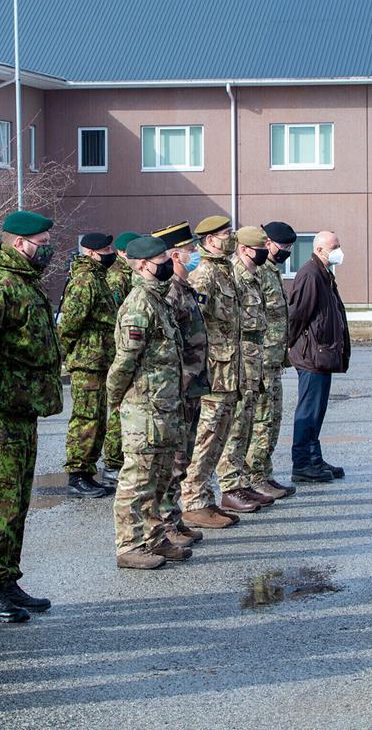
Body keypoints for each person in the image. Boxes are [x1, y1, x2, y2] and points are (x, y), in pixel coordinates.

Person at [0, 210, 63, 623]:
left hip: (22, 408)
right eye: (41, 241)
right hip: (1, 410)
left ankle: (7, 579)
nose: (47, 247)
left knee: (16, 499)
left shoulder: (24, 282)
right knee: (0, 498)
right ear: (20, 243)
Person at [107, 235, 190, 569]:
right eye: (161, 260)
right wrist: (116, 402)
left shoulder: (159, 300)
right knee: (137, 481)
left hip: (165, 406)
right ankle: (129, 545)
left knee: (158, 478)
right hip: (143, 409)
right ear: (142, 265)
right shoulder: (139, 304)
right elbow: (124, 363)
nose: (168, 264)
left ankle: (154, 538)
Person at [180, 215, 245, 529]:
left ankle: (205, 498)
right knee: (205, 437)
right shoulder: (204, 275)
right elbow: (194, 326)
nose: (230, 237)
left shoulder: (225, 270)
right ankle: (192, 500)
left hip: (229, 370)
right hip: (214, 372)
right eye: (225, 234)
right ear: (208, 240)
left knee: (219, 436)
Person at [150, 221, 208, 549]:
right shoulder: (171, 290)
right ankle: (165, 525)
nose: (195, 254)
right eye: (190, 250)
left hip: (192, 384)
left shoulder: (183, 287)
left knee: (183, 457)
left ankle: (174, 518)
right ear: (175, 254)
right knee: (172, 461)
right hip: (179, 386)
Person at [214, 226, 277, 513]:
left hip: (255, 357)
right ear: (244, 249)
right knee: (237, 425)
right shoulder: (236, 276)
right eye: (259, 247)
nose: (265, 252)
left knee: (249, 422)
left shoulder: (252, 276)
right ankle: (230, 486)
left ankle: (242, 482)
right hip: (239, 358)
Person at [57, 232, 120, 498]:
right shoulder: (84, 281)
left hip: (100, 359)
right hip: (88, 362)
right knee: (86, 418)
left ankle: (88, 472)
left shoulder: (98, 278)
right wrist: (73, 353)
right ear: (92, 253)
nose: (110, 253)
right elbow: (70, 323)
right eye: (105, 249)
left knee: (97, 418)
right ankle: (77, 474)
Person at [286, 231, 351, 484]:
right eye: (335, 246)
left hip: (322, 355)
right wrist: (290, 345)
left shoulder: (324, 274)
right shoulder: (310, 274)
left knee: (317, 412)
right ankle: (302, 464)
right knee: (308, 412)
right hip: (311, 356)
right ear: (320, 250)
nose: (339, 250)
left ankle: (314, 459)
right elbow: (297, 315)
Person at [247, 222, 298, 500]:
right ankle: (254, 477)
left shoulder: (272, 271)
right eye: (283, 247)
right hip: (261, 361)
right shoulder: (256, 273)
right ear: (268, 243)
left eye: (290, 247)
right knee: (261, 421)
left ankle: (264, 473)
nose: (287, 252)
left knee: (273, 420)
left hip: (274, 360)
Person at [98, 230, 140, 485]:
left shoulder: (129, 275)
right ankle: (113, 461)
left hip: (126, 346)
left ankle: (120, 457)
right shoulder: (117, 277)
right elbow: (117, 314)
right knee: (117, 410)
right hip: (119, 347)